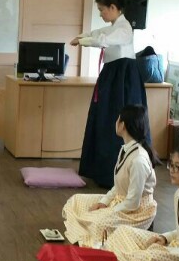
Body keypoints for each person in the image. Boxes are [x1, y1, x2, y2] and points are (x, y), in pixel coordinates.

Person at [75, 0, 149, 188]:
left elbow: (103, 40)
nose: (101, 14)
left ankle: (118, 176)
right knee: (104, 119)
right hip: (112, 76)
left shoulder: (124, 29)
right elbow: (96, 34)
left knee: (119, 121)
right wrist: (81, 37)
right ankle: (100, 170)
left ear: (113, 8)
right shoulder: (114, 27)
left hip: (123, 80)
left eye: (102, 10)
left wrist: (82, 41)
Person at [62, 105, 158, 247]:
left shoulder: (139, 160)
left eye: (118, 118)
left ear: (122, 124)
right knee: (75, 201)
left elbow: (133, 203)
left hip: (136, 212)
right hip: (120, 202)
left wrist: (109, 211)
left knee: (97, 223)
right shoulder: (126, 149)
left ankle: (88, 237)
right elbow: (118, 187)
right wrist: (104, 202)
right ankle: (85, 234)